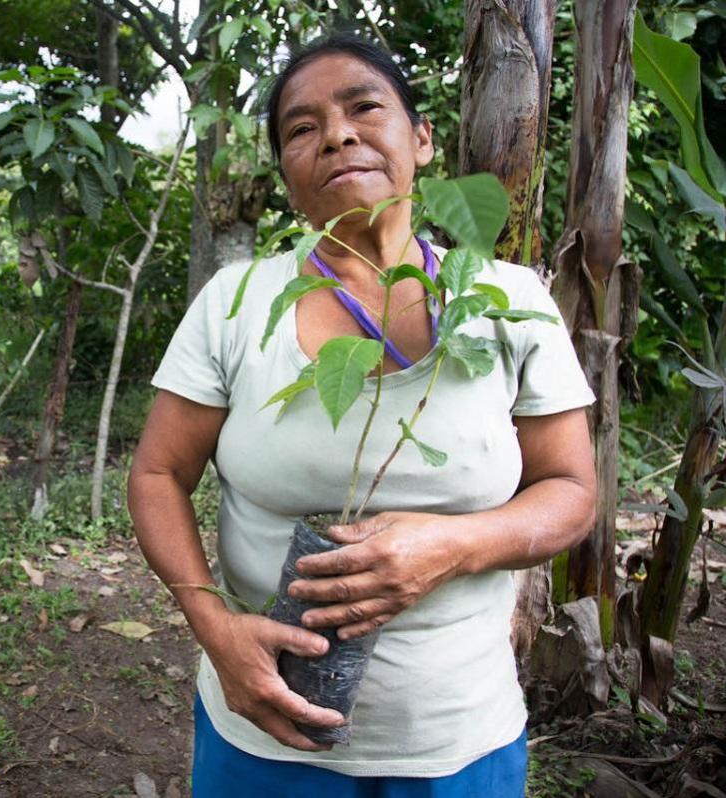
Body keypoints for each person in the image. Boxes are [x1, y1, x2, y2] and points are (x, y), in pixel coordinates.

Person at [127, 33, 597, 797]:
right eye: (301, 128)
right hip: (264, 730)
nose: (336, 134)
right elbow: (156, 471)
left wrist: (453, 545)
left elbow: (570, 490)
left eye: (363, 107)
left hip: (456, 737)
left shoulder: (505, 299)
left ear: (419, 138)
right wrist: (213, 627)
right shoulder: (238, 301)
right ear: (285, 172)